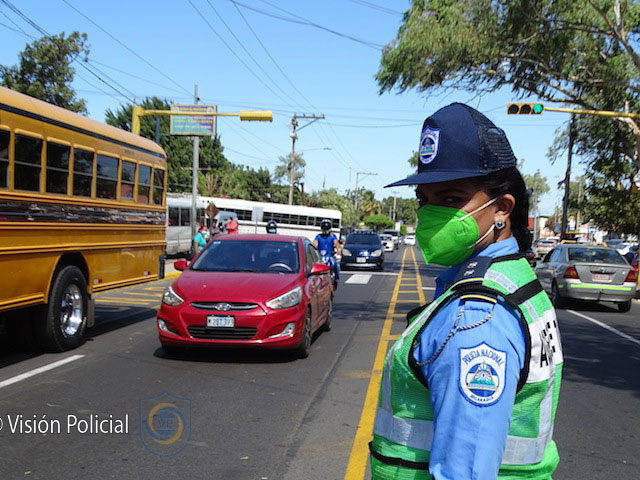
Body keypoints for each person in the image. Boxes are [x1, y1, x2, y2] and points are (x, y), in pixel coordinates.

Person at [369, 103, 564, 480]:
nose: (430, 214)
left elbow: (467, 471)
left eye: (451, 199)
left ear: (502, 209)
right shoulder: (511, 277)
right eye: (424, 200)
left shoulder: (477, 317)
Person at [313, 219, 341, 284]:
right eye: (324, 228)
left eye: (327, 228)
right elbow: (314, 243)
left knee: (336, 265)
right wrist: (313, 249)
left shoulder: (332, 236)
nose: (325, 230)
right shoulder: (319, 236)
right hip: (320, 256)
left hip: (330, 255)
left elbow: (336, 243)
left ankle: (336, 279)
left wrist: (338, 251)